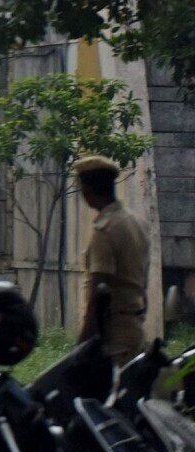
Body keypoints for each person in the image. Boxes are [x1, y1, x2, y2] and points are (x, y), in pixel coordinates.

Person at [74, 154, 153, 367]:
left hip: (113, 332)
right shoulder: (136, 223)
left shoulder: (106, 230)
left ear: (87, 191)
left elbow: (100, 292)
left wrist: (83, 344)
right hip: (134, 327)